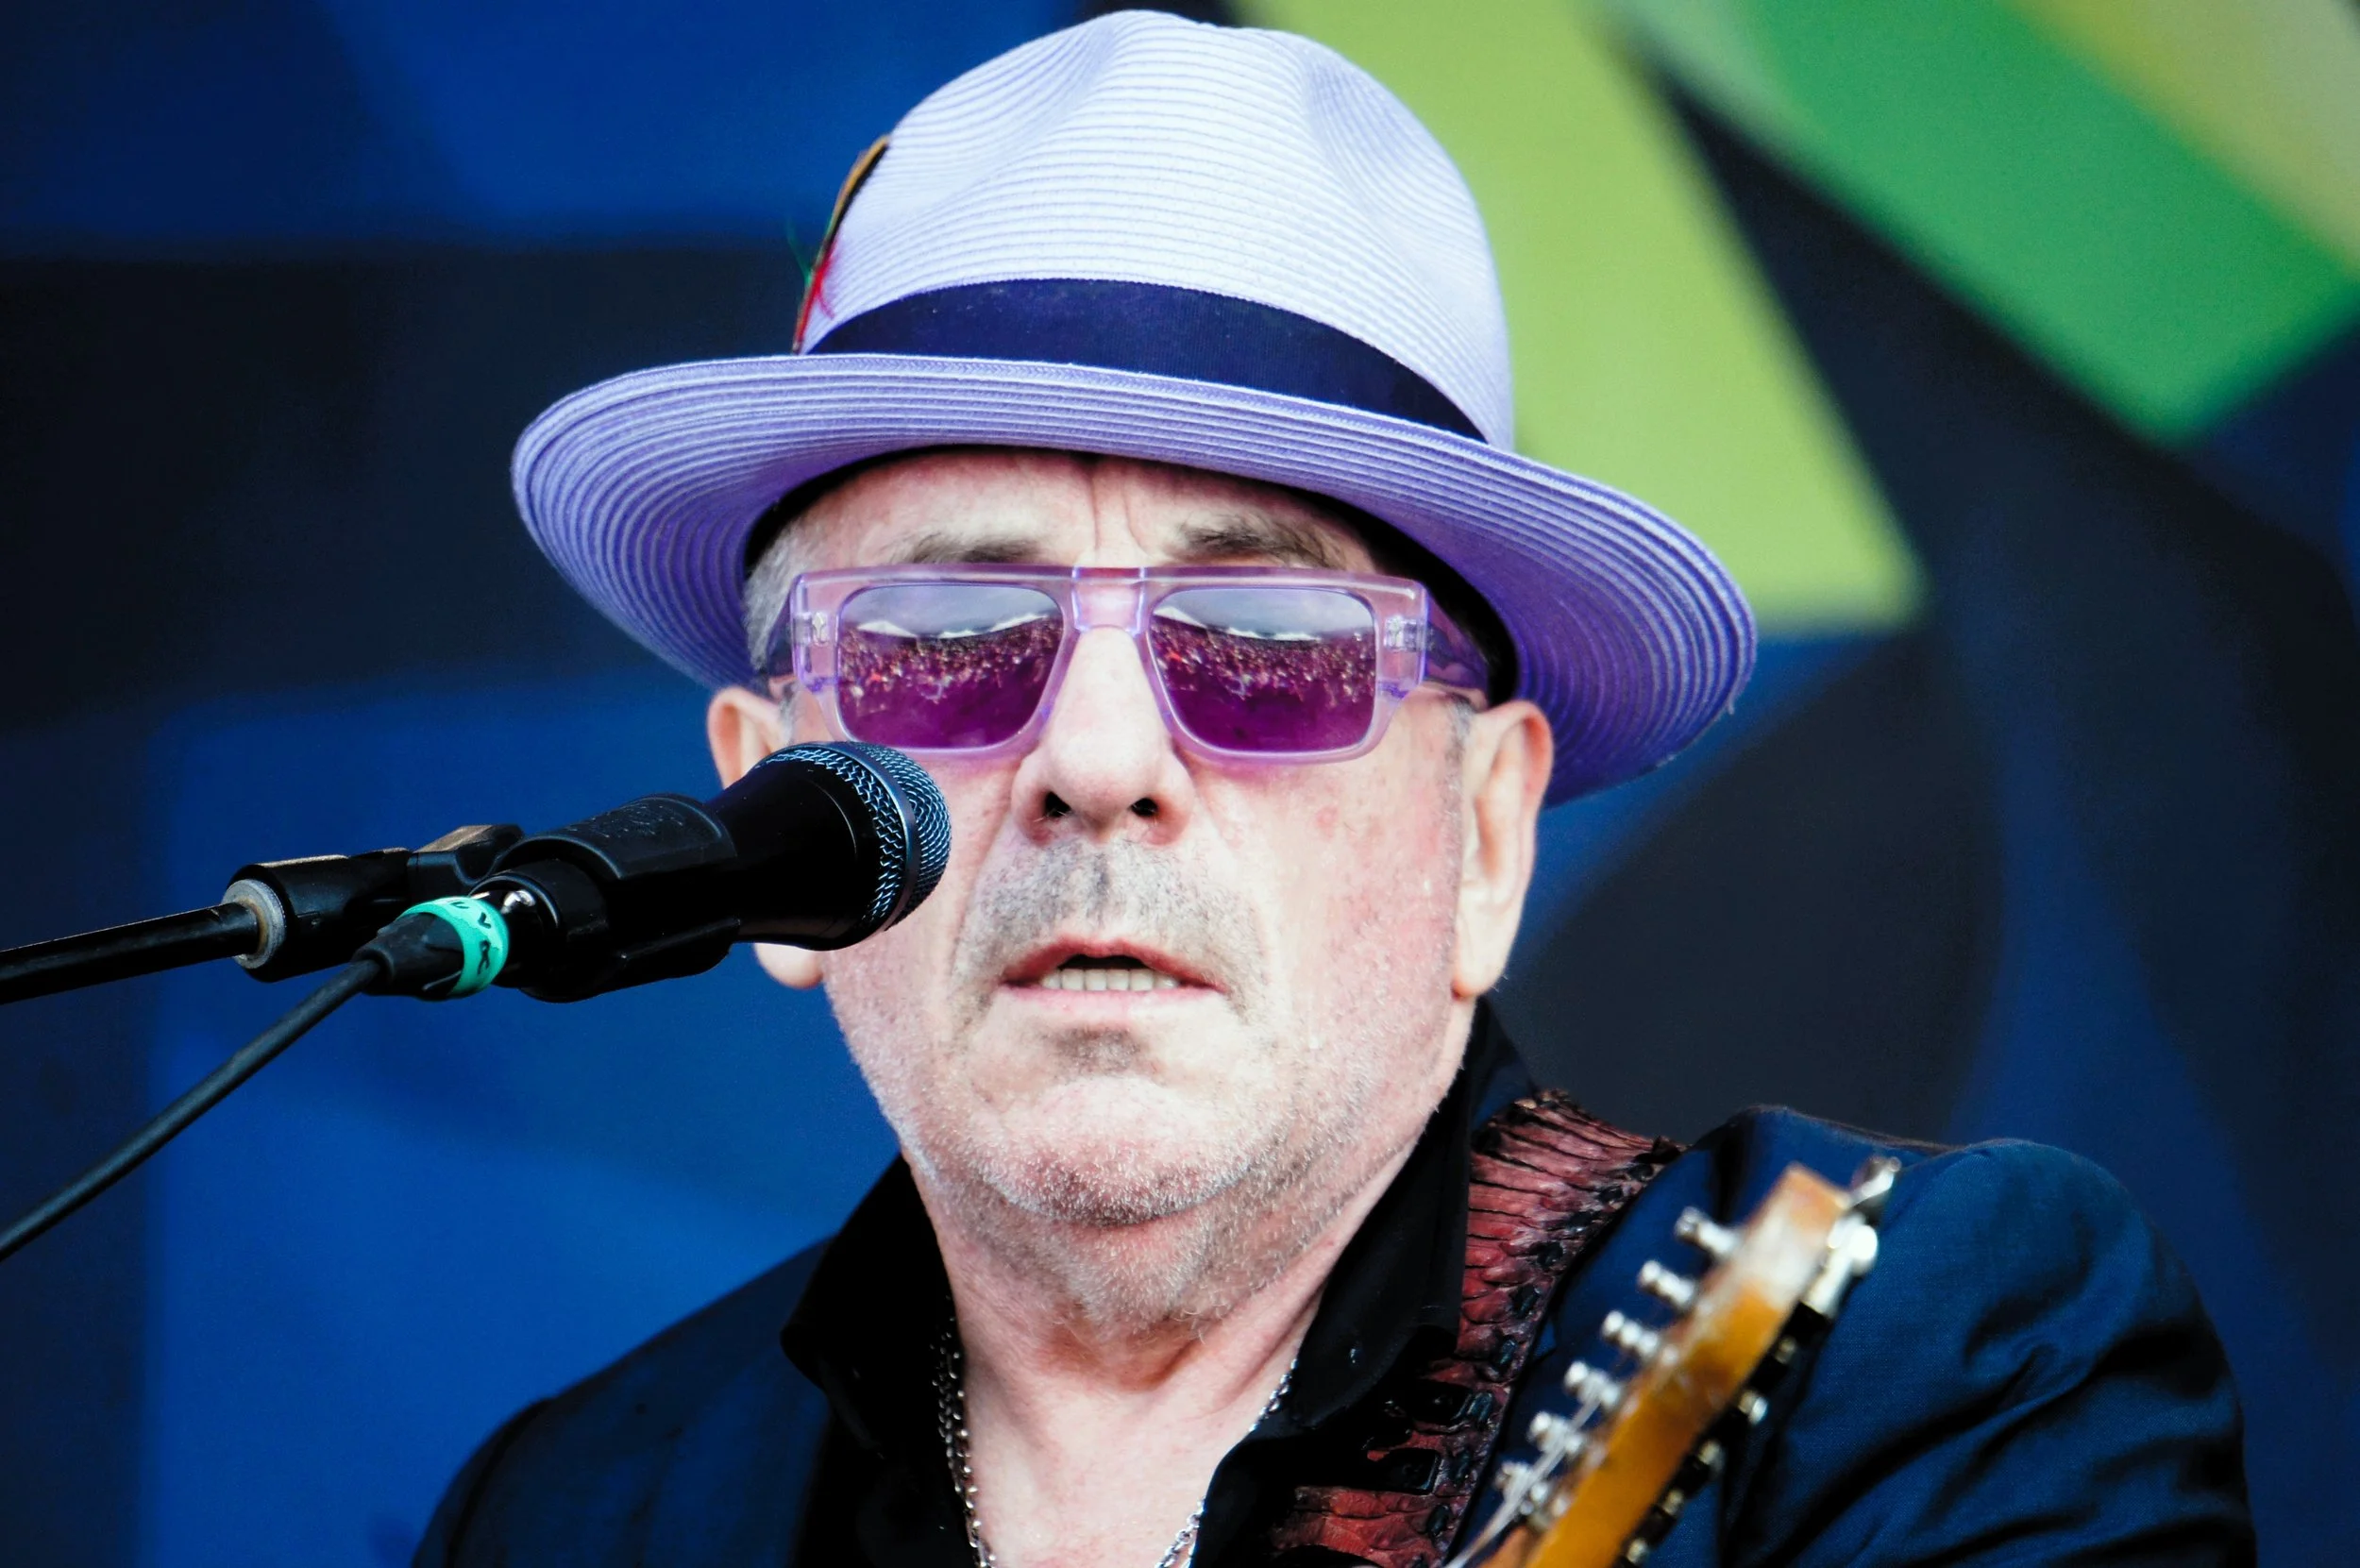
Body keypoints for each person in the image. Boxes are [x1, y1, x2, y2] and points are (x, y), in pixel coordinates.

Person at [416, 13, 2251, 1567]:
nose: (1100, 761)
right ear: (770, 823)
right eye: (950, 636)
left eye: (1272, 646)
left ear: (1480, 832)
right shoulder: (573, 1510)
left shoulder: (1915, 1361)